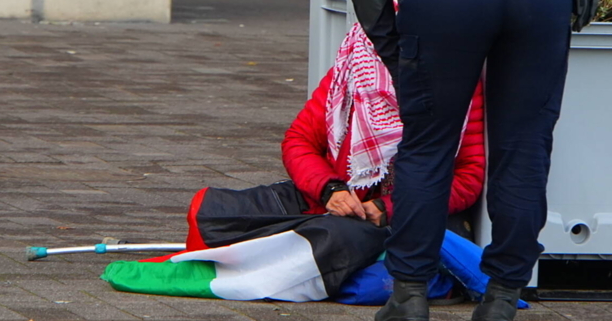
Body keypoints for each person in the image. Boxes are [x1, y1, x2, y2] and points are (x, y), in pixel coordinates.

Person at [330, 0, 573, 321]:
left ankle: (410, 297)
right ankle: (504, 296)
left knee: (429, 143)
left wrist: (397, 55)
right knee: (525, 144)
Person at [182, 21, 485, 264]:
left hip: (403, 214)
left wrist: (387, 207)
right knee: (211, 211)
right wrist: (330, 190)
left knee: (336, 238)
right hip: (326, 200)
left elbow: (468, 178)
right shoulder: (350, 73)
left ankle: (292, 254)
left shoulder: (458, 87)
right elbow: (298, 141)